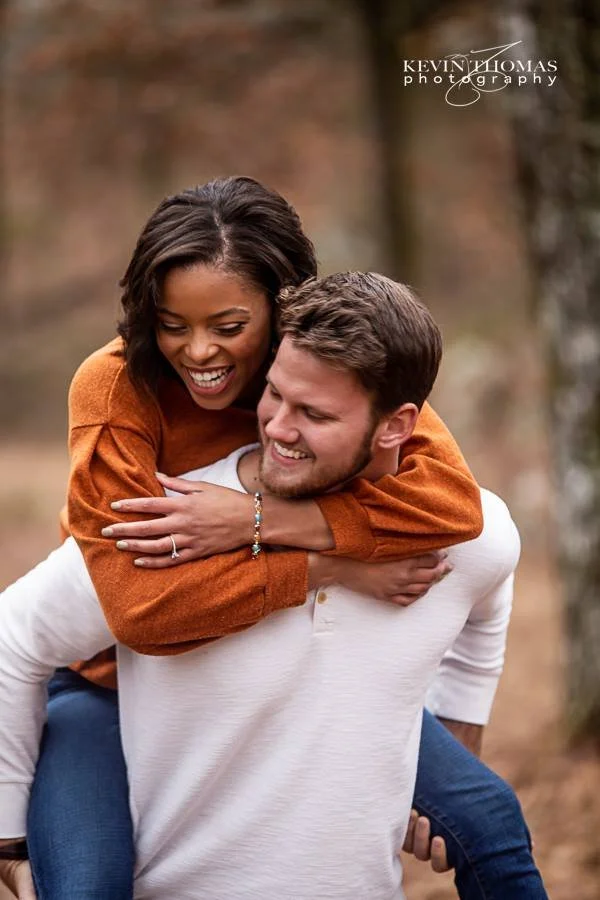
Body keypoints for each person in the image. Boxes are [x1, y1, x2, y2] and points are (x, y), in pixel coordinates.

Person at [0, 180, 541, 898]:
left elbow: (451, 506)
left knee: (491, 821)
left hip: (244, 661)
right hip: (105, 677)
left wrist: (257, 522)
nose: (199, 353)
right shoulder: (116, 390)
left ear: (282, 308)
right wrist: (323, 569)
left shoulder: (327, 368)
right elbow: (134, 607)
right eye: (172, 324)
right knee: (87, 883)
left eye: (228, 326)